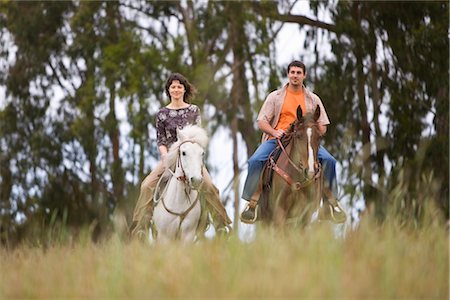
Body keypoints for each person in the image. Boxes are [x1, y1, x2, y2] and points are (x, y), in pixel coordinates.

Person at [240, 60, 346, 224]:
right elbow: (261, 121)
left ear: (304, 75)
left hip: (304, 139)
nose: (295, 75)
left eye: (298, 73)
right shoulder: (275, 97)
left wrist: (312, 129)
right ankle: (252, 204)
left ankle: (331, 204)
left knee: (330, 161)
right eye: (292, 72)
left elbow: (323, 126)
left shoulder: (313, 99)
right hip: (278, 139)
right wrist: (274, 132)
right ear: (288, 74)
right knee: (255, 161)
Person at [131, 73, 232, 239]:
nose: (176, 89)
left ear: (184, 89)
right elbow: (161, 140)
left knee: (209, 186)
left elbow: (198, 136)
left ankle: (220, 225)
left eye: (179, 86)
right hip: (170, 158)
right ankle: (141, 226)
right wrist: (165, 156)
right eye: (173, 87)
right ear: (168, 90)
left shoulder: (193, 110)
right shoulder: (162, 114)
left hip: (191, 157)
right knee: (146, 185)